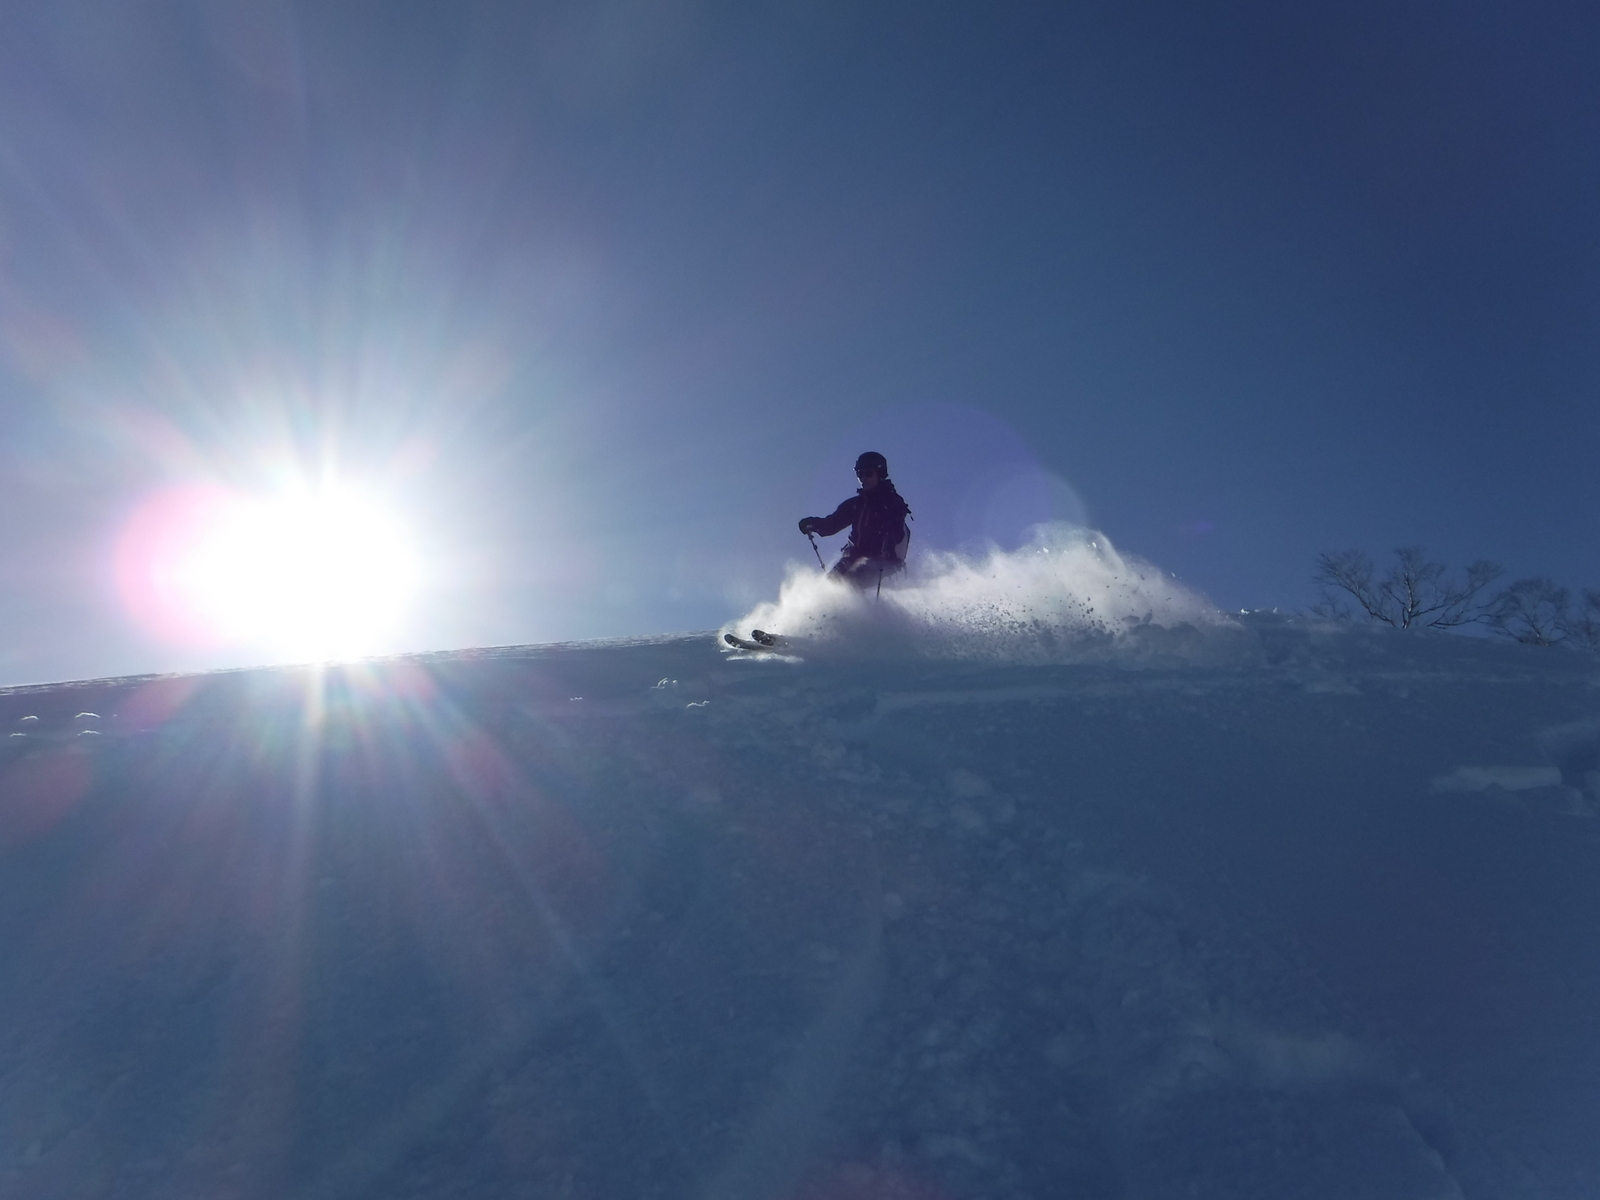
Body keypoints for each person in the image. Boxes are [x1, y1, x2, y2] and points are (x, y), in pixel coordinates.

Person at [798, 451, 912, 588]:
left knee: (851, 582)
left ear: (880, 474)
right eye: (859, 474)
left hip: (884, 559)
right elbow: (832, 524)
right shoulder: (857, 504)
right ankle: (832, 608)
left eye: (868, 473)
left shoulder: (892, 502)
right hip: (855, 554)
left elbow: (896, 527)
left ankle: (856, 609)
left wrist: (889, 539)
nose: (863, 478)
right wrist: (812, 524)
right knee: (830, 582)